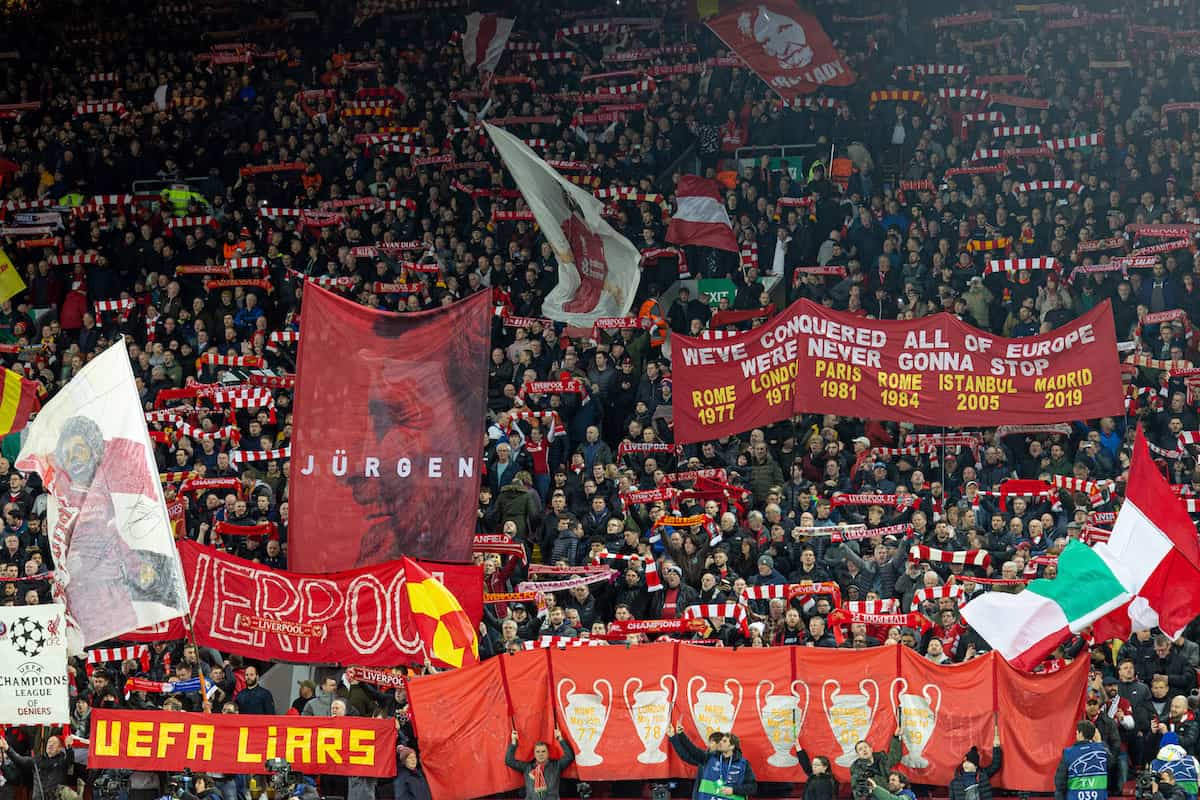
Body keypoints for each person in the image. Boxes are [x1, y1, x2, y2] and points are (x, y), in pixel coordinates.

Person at [669, 723, 758, 800]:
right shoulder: (709, 758)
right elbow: (693, 751)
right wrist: (681, 735)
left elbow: (753, 788)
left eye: (724, 741)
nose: (720, 743)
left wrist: (733, 790)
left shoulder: (743, 764)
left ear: (732, 746)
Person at [504, 728, 574, 800]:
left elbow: (569, 756)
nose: (540, 754)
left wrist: (560, 738)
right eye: (538, 752)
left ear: (548, 753)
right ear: (534, 754)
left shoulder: (556, 766)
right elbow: (509, 761)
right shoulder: (527, 767)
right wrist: (513, 742)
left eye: (543, 751)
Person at [0, 736, 74, 800]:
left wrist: (69, 748)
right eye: (49, 742)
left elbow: (70, 760)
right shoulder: (37, 759)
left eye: (54, 743)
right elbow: (20, 760)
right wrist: (7, 748)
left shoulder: (63, 761)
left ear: (59, 748)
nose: (50, 744)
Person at [1055, 720, 1109, 800]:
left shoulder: (1068, 753)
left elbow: (1060, 782)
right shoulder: (1103, 751)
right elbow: (1112, 764)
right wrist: (1099, 742)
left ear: (1080, 734)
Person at [948, 725, 1003, 800]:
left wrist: (996, 747)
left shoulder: (983, 775)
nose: (965, 764)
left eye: (969, 762)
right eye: (964, 762)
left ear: (976, 766)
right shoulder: (954, 782)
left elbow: (995, 765)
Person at [849, 725, 902, 800]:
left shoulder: (882, 759)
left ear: (871, 749)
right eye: (860, 749)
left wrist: (896, 737)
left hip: (890, 796)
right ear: (858, 755)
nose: (864, 750)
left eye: (865, 747)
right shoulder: (857, 770)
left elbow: (895, 756)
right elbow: (858, 793)